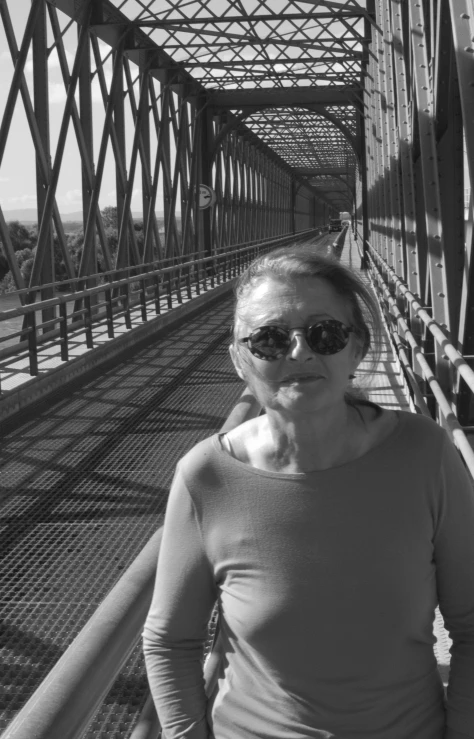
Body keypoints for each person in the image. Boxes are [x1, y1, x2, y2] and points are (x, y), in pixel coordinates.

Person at [143, 248, 474, 739]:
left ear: (357, 349)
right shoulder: (206, 477)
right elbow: (170, 640)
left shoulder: (425, 454)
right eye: (269, 339)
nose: (300, 353)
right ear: (240, 359)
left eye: (325, 333)